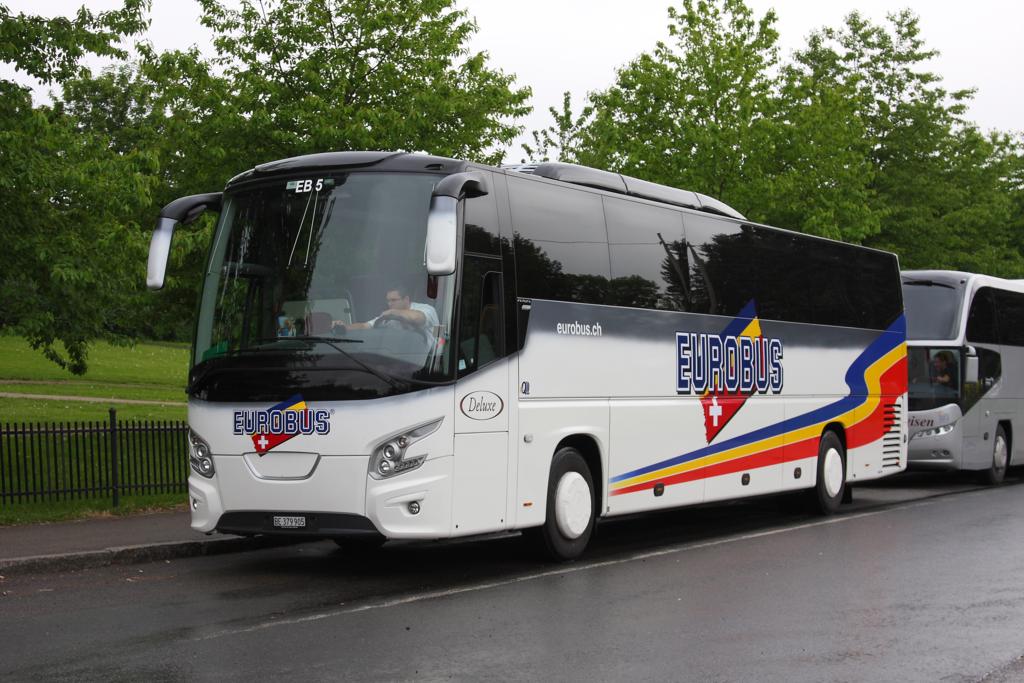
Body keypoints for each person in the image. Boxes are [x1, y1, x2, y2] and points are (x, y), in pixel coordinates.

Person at [334, 285, 439, 333]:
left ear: (406, 299)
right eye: (388, 301)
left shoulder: (426, 309)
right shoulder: (387, 317)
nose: (389, 304)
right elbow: (364, 325)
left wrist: (395, 312)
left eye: (394, 300)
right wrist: (345, 327)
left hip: (428, 361)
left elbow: (418, 318)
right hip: (398, 359)